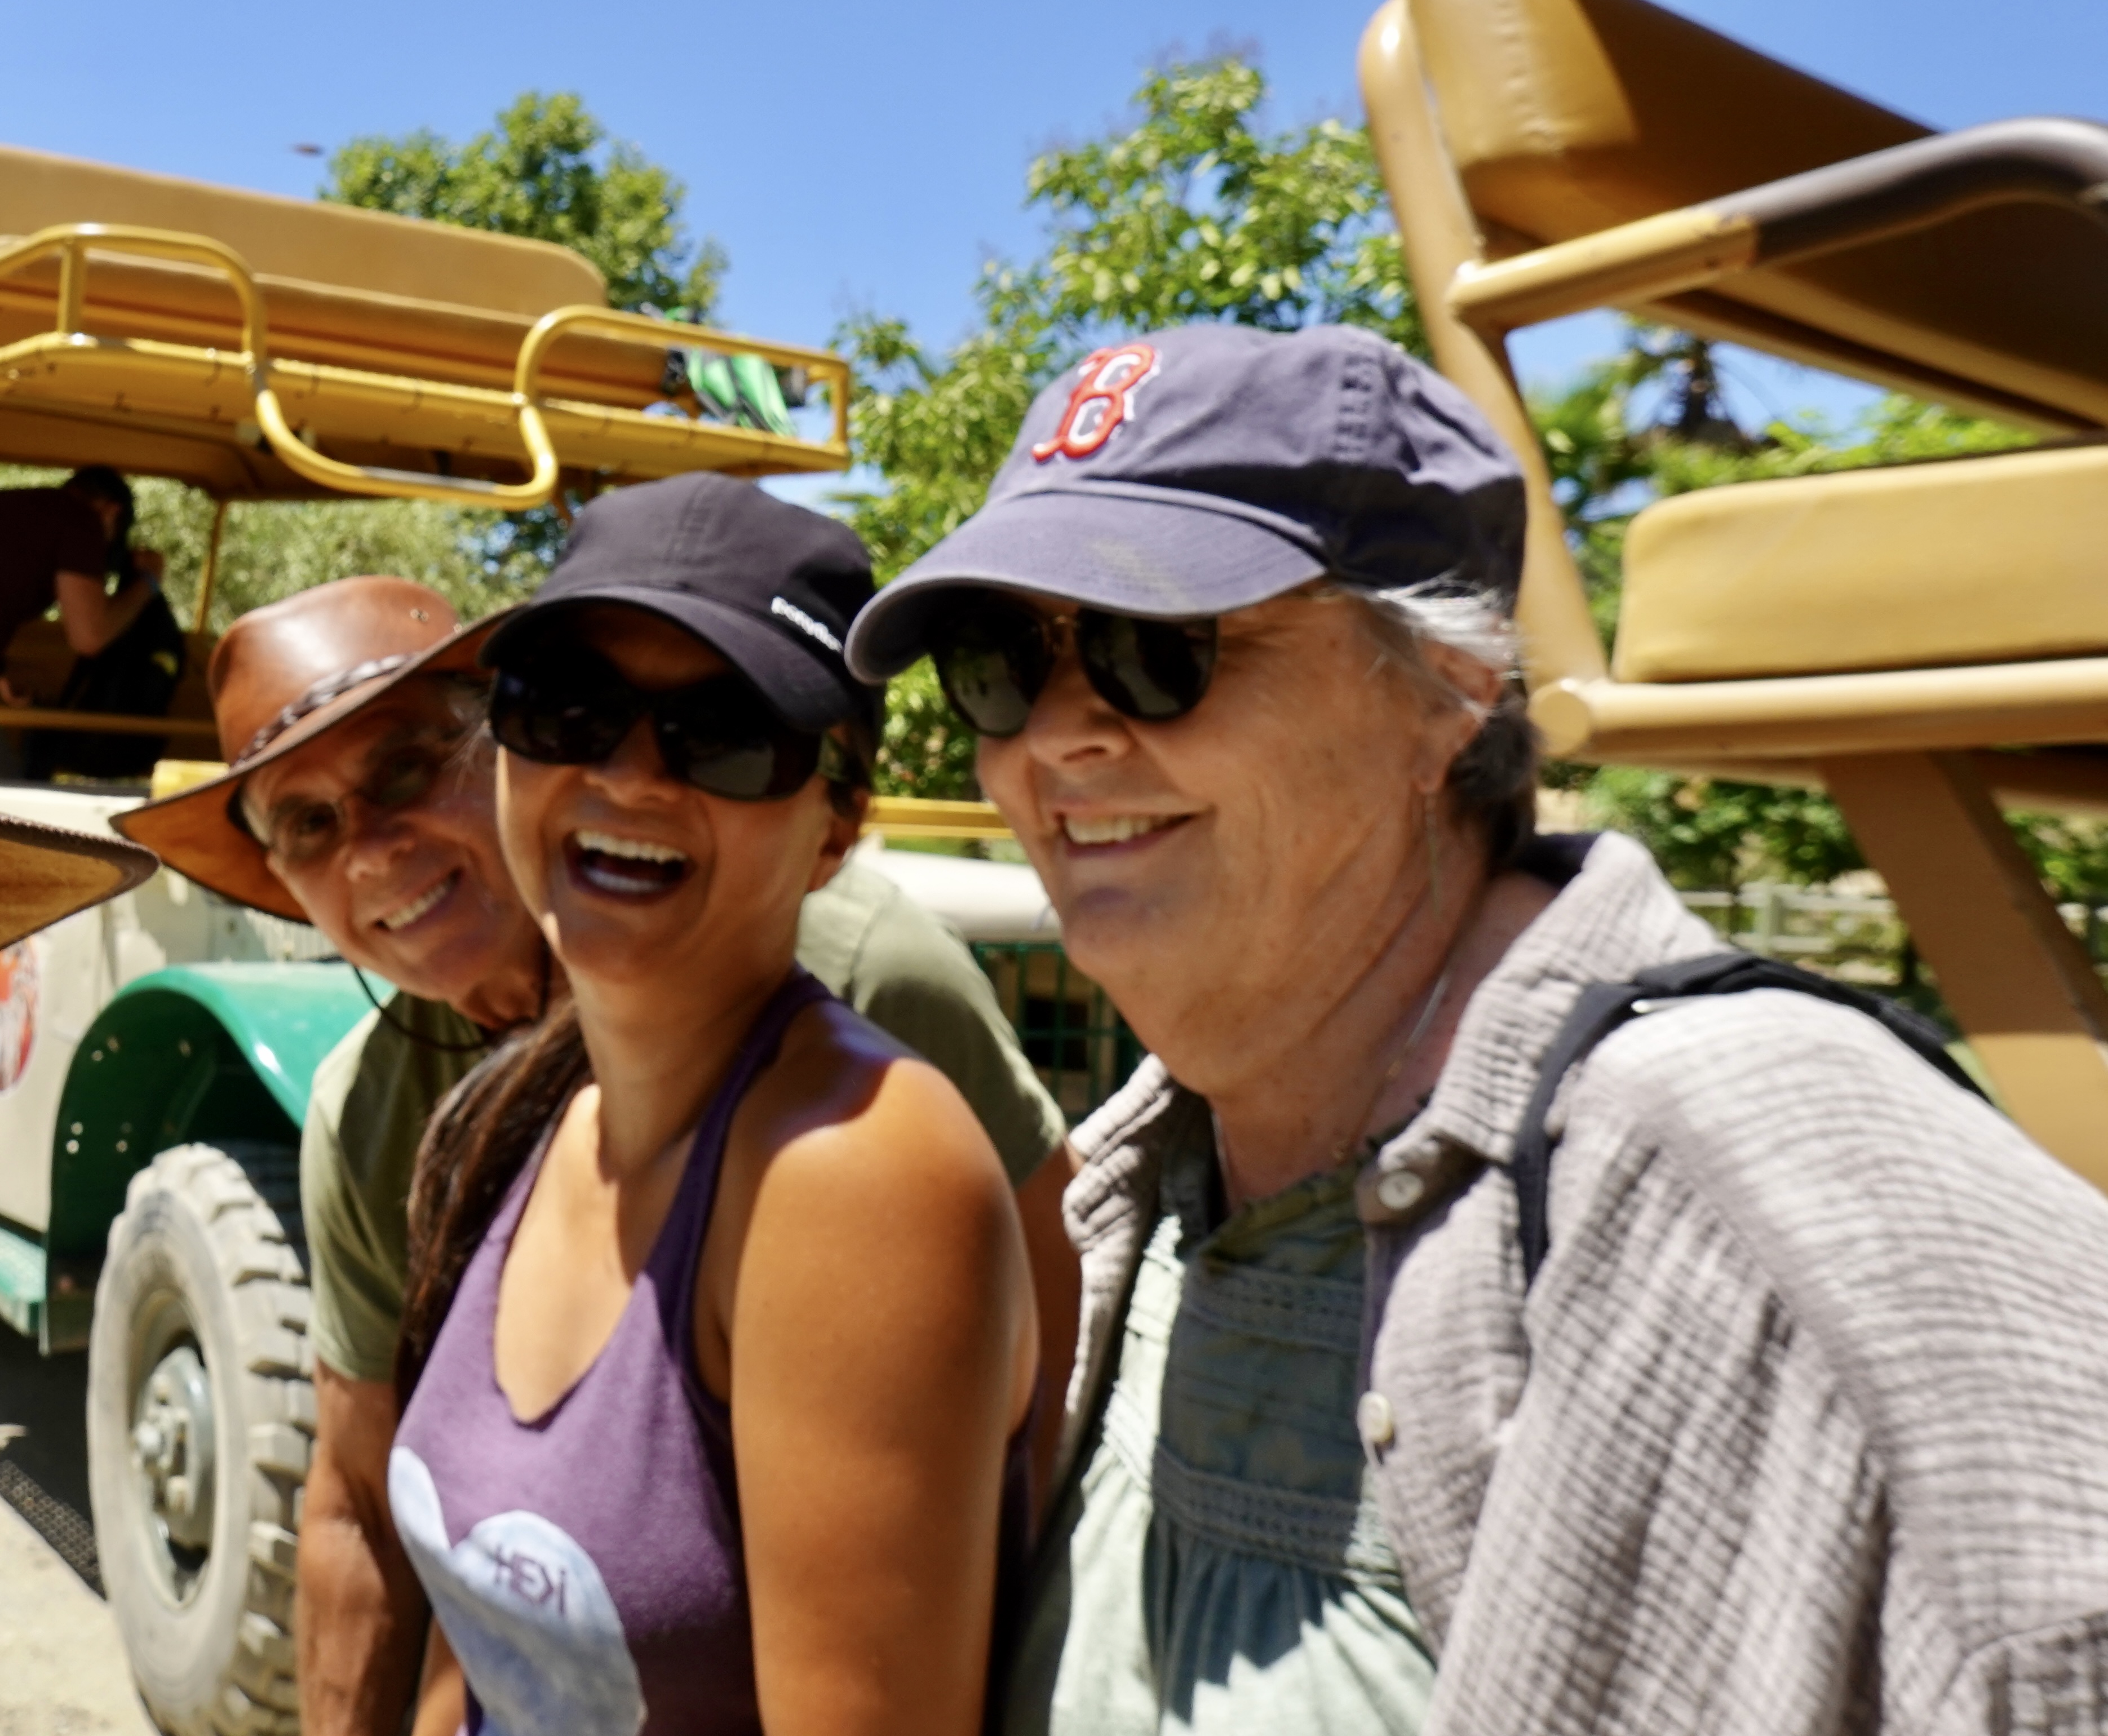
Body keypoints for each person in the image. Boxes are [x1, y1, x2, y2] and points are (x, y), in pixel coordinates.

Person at [844, 322, 2108, 1735]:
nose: (1052, 738)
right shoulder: (1139, 1188)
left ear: (1447, 688)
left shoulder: (1773, 1185)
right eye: (1001, 664)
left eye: (1156, 649)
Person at [117, 562, 1075, 1736]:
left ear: (512, 749)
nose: (368, 851)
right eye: (309, 825)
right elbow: (364, 1498)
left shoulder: (854, 979)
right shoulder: (369, 1117)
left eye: (407, 768)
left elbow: (1056, 1367)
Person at [392, 472, 1034, 1734]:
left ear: (837, 827)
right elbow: (470, 1651)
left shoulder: (851, 1172)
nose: (630, 776)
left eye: (727, 733)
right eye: (567, 709)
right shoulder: (524, 1120)